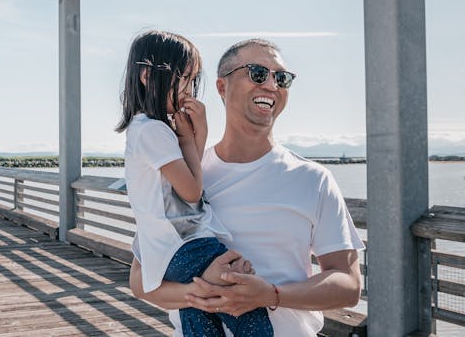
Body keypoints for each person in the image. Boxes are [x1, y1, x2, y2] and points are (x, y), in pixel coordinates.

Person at [129, 38, 365, 336]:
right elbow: (140, 281)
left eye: (282, 78)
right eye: (257, 73)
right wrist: (208, 293)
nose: (271, 85)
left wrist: (270, 295)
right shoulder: (185, 173)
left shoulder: (313, 178)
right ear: (221, 87)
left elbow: (348, 284)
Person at [117, 30, 273, 336]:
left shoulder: (143, 129)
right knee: (248, 313)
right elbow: (191, 191)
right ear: (149, 76)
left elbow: (186, 179)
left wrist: (191, 139)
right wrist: (192, 136)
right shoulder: (153, 130)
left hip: (165, 250)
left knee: (199, 312)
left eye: (193, 79)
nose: (189, 89)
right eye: (184, 78)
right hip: (188, 244)